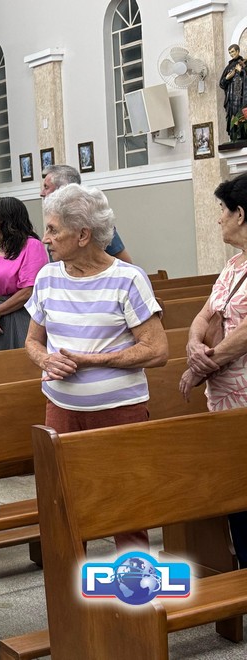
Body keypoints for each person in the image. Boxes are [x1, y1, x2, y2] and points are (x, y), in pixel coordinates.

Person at [24, 184, 168, 551]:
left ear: (83, 234)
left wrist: (91, 360)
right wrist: (45, 359)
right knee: (65, 504)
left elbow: (157, 350)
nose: (45, 238)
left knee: (125, 504)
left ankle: (134, 583)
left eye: (53, 229)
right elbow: (32, 342)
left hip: (119, 412)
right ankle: (71, 584)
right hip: (61, 409)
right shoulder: (47, 277)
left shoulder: (128, 278)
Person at [179, 172, 247, 568]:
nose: (219, 218)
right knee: (236, 491)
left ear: (240, 214)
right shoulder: (233, 265)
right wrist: (193, 345)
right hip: (224, 400)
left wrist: (203, 365)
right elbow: (205, 314)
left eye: (222, 209)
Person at [0, 198, 48, 351]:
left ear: (5, 221)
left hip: (18, 314)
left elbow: (28, 291)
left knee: (18, 361)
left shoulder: (32, 246)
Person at [40, 164, 132, 264]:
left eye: (46, 187)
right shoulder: (52, 224)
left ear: (64, 189)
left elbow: (125, 264)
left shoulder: (96, 222)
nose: (42, 193)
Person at [220, 44, 247, 142]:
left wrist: (242, 71)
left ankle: (242, 135)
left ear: (238, 51)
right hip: (231, 98)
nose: (231, 54)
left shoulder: (244, 63)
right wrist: (227, 78)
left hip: (241, 97)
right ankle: (233, 136)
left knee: (240, 115)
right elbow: (221, 83)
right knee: (231, 117)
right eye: (230, 52)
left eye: (232, 51)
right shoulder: (229, 67)